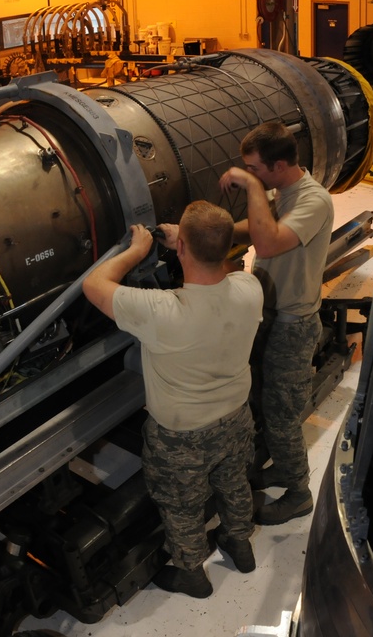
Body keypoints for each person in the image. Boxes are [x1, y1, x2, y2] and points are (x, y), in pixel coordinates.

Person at [82, 201, 264, 599]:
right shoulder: (250, 289)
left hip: (182, 434)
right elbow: (225, 271)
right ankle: (240, 545)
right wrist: (188, 239)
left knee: (181, 504)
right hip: (235, 415)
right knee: (233, 482)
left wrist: (136, 251)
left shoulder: (162, 311)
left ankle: (191, 575)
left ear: (180, 248)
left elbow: (93, 285)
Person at [218, 121, 335, 525]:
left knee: (282, 414)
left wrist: (250, 188)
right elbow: (254, 227)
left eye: (255, 168)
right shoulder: (281, 191)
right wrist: (200, 234)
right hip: (268, 316)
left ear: (280, 164)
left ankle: (298, 492)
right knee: (263, 401)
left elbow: (267, 241)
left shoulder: (314, 201)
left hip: (292, 324)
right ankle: (283, 468)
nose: (250, 174)